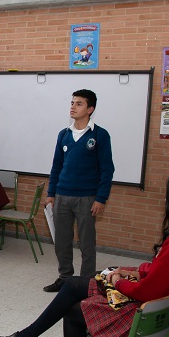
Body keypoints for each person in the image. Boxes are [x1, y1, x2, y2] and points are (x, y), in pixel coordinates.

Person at [0, 168, 169, 337]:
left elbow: (147, 291)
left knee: (76, 307)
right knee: (80, 283)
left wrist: (119, 281)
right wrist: (137, 271)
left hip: (155, 320)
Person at [43, 89, 114, 292]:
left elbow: (107, 169)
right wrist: (51, 194)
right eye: (72, 102)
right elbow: (56, 166)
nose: (73, 106)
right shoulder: (64, 135)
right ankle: (65, 278)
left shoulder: (100, 135)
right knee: (62, 242)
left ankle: (86, 284)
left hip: (87, 198)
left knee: (86, 244)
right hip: (62, 196)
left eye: (79, 103)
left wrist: (101, 198)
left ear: (90, 109)